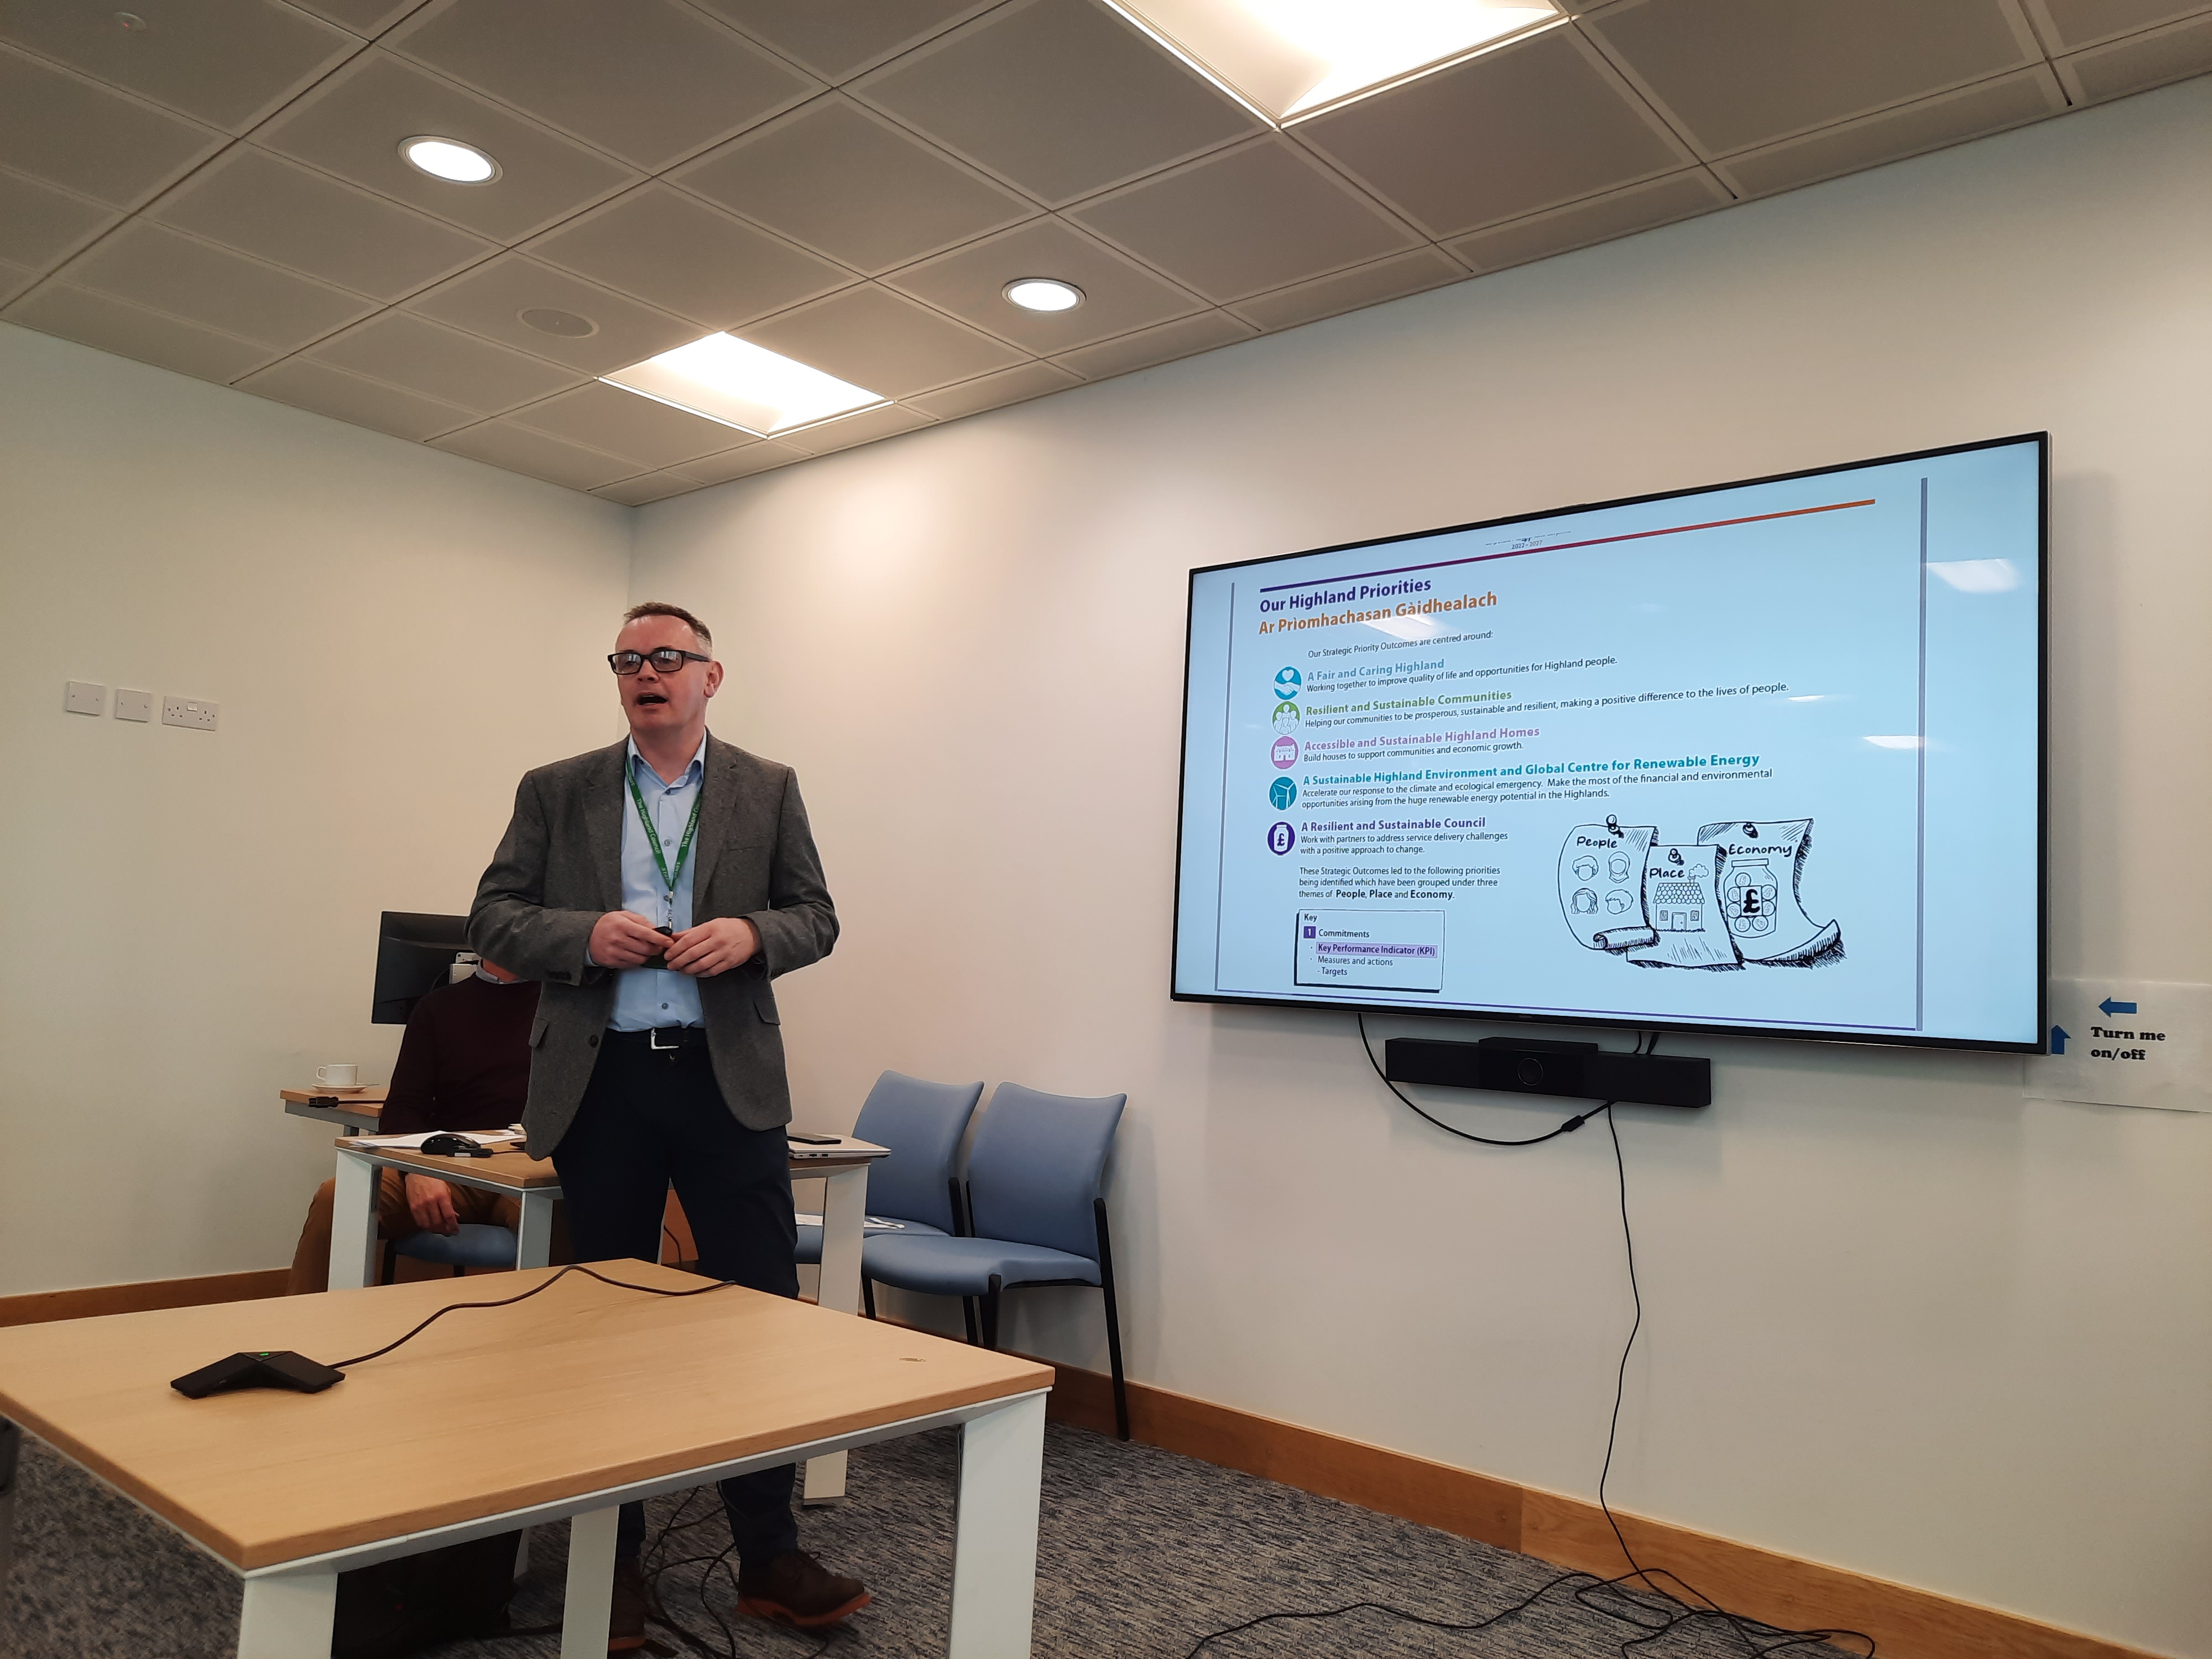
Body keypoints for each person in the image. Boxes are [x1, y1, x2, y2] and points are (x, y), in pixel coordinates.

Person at [468, 601, 859, 1647]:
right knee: (608, 1324)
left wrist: (751, 936)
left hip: (727, 1087)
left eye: (668, 658)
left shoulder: (767, 787)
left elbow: (817, 916)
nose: (648, 673)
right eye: (630, 659)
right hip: (605, 1085)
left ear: (709, 677)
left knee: (761, 1317)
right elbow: (493, 916)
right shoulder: (556, 790)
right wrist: (582, 936)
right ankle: (615, 1562)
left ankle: (768, 1556)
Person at [285, 959, 541, 1296]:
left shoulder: (567, 1006)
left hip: (532, 1164)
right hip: (452, 1162)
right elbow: (403, 1106)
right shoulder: (439, 1007)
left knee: (566, 1216)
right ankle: (307, 1324)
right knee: (337, 1197)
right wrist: (415, 1171)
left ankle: (566, 1326)